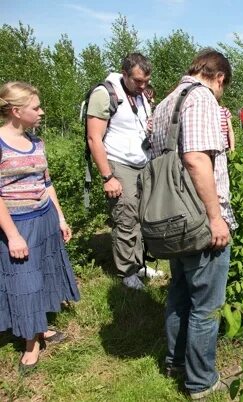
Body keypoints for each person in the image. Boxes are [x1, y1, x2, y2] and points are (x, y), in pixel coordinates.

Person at [149, 48, 236, 400]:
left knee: (180, 292)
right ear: (219, 78)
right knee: (206, 303)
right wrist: (216, 218)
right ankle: (201, 382)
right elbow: (197, 159)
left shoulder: (166, 101)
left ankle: (176, 361)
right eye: (223, 87)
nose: (221, 93)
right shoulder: (201, 99)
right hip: (199, 218)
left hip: (173, 217)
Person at [0, 82, 80, 373]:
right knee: (24, 282)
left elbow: (46, 183)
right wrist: (11, 235)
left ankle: (39, 327)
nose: (42, 111)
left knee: (43, 276)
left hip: (44, 218)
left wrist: (59, 217)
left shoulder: (37, 142)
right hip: (17, 224)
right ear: (16, 110)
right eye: (36, 107)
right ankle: (30, 347)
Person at [86, 53, 163, 290]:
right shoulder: (105, 94)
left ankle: (138, 264)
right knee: (126, 217)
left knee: (142, 217)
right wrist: (108, 177)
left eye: (146, 81)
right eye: (138, 81)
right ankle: (126, 271)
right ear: (124, 73)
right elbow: (93, 138)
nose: (142, 86)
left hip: (143, 163)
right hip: (119, 164)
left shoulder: (140, 95)